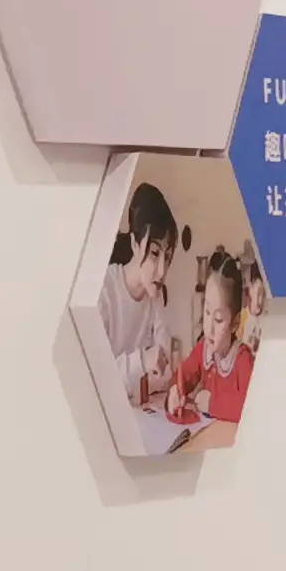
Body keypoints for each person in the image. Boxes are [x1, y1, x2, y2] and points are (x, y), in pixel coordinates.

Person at [98, 177, 184, 414]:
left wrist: (172, 380)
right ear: (135, 244)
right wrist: (142, 361)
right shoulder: (103, 291)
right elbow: (94, 381)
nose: (162, 271)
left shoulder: (154, 298)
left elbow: (165, 368)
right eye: (155, 253)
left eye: (167, 256)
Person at [167, 249, 255, 442]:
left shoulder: (242, 359)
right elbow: (184, 374)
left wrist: (212, 403)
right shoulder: (204, 349)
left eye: (218, 319)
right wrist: (175, 390)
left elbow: (251, 407)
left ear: (235, 323)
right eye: (207, 312)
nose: (209, 327)